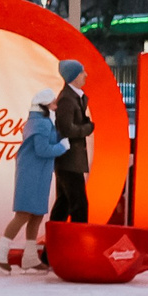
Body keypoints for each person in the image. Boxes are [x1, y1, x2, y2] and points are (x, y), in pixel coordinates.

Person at [0, 88, 70, 272]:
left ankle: (30, 258)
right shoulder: (40, 124)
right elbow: (42, 150)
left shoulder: (41, 122)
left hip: (39, 173)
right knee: (24, 214)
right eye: (52, 102)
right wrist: (61, 147)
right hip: (32, 173)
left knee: (36, 214)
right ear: (44, 105)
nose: (55, 104)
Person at [49, 61, 94, 224]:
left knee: (64, 205)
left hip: (69, 161)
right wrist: (88, 128)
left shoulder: (73, 97)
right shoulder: (67, 99)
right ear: (74, 76)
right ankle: (77, 244)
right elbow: (66, 129)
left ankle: (53, 247)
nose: (86, 75)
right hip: (69, 161)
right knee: (79, 206)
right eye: (82, 72)